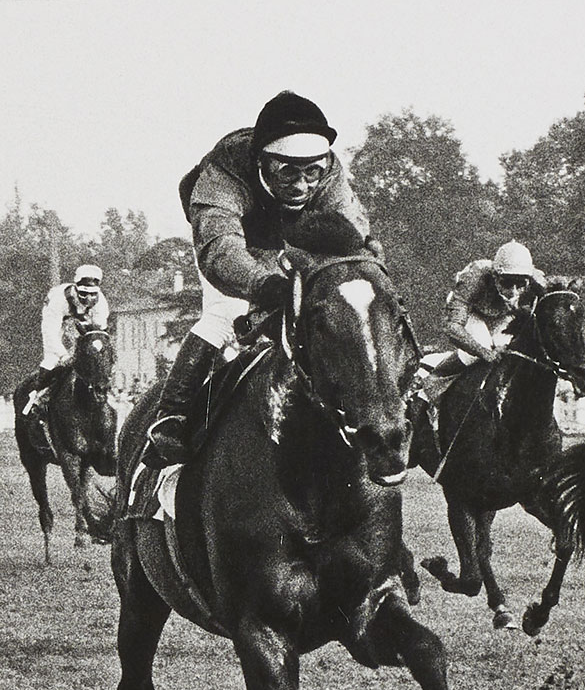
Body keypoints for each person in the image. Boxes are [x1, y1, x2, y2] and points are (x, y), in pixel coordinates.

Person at [142, 90, 382, 469]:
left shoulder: (332, 173)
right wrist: (266, 286)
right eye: (287, 171)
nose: (302, 186)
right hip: (230, 237)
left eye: (311, 172)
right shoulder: (225, 171)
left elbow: (350, 237)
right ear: (261, 163)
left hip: (292, 238)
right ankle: (171, 416)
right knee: (225, 314)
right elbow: (221, 252)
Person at [410, 241, 547, 435]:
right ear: (495, 275)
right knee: (479, 349)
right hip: (472, 313)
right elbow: (452, 327)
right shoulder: (475, 278)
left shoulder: (538, 281)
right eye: (507, 282)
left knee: (513, 352)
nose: (514, 291)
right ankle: (429, 387)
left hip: (502, 315)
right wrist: (483, 351)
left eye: (521, 283)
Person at [24, 265, 111, 415]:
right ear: (76, 289)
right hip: (57, 321)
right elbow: (50, 332)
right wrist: (63, 355)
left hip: (82, 322)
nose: (89, 299)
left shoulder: (101, 303)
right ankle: (37, 397)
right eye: (84, 294)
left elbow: (99, 333)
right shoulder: (59, 300)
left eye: (93, 294)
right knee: (52, 360)